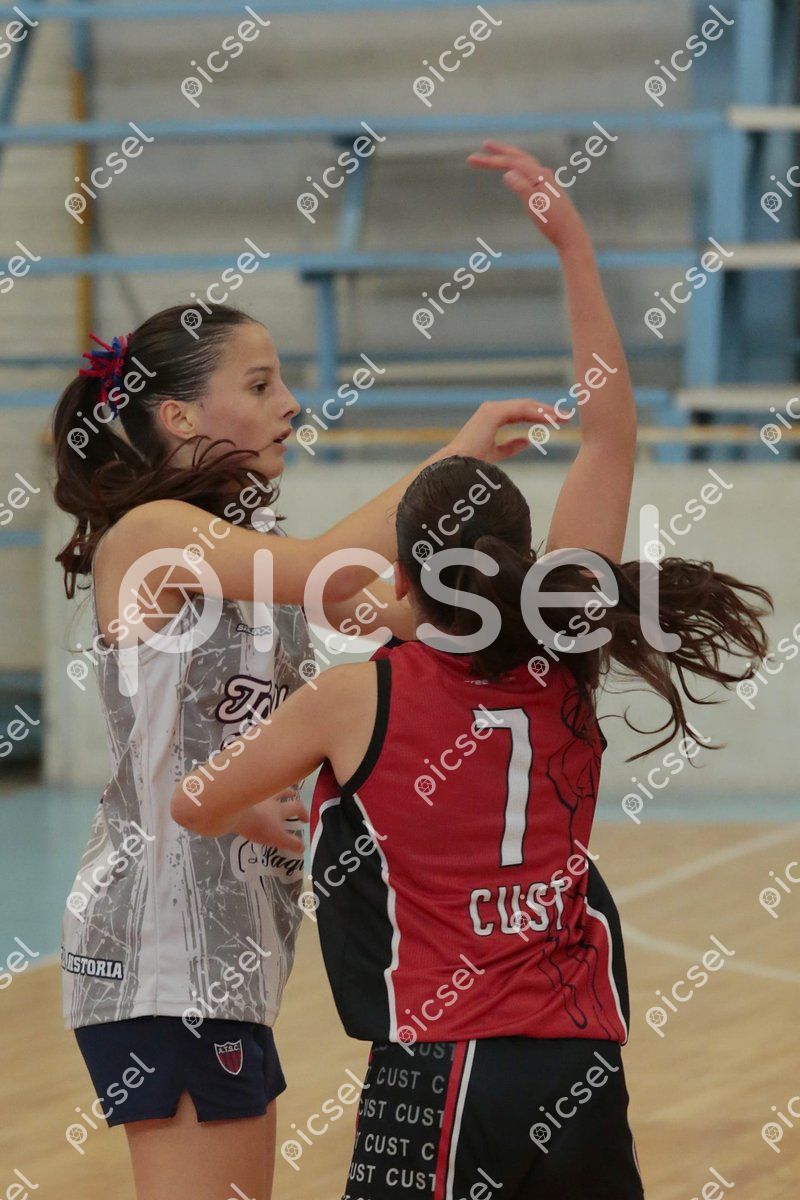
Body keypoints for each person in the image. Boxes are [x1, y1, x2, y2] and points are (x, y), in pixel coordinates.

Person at [171, 145, 772, 1199]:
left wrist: (272, 807)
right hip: (578, 1060)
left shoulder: (354, 696)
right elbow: (608, 437)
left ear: (404, 573)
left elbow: (193, 804)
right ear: (521, 559)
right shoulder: (566, 647)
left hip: (438, 1063)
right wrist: (572, 247)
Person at [52, 290, 553, 1200]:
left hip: (229, 944)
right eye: (260, 384)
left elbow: (403, 613)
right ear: (180, 416)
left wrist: (552, 613)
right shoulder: (154, 536)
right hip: (160, 947)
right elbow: (329, 570)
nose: (290, 403)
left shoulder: (250, 545)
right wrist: (458, 458)